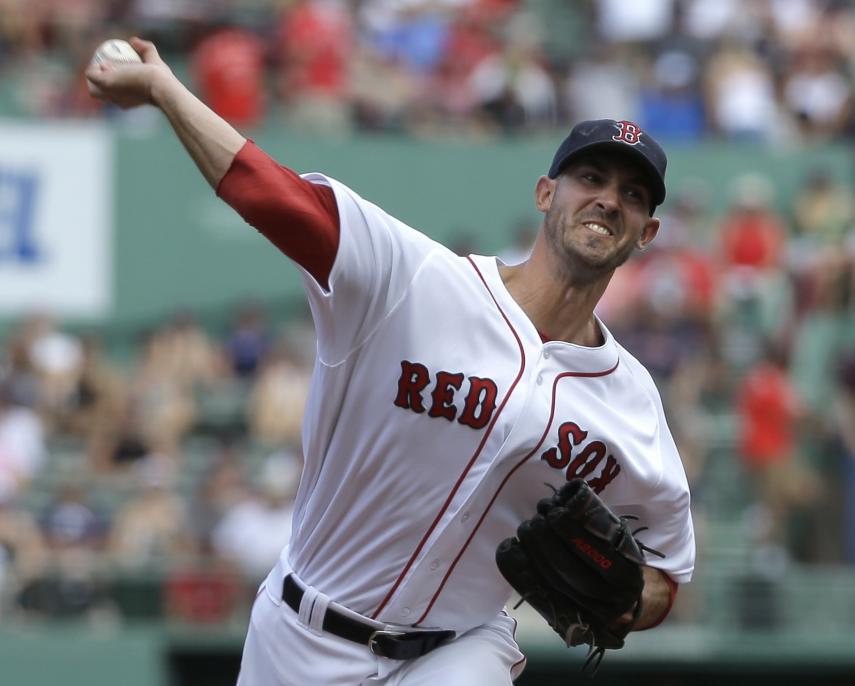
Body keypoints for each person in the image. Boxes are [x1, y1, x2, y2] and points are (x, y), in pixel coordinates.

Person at [85, 38, 695, 686]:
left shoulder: (629, 402)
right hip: (300, 634)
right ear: (546, 193)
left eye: (633, 194)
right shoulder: (415, 280)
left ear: (646, 233)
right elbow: (274, 197)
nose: (608, 199)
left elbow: (664, 573)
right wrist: (165, 92)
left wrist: (629, 601)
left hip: (457, 651)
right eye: (591, 178)